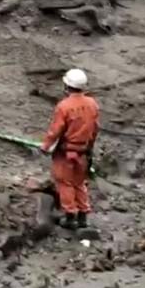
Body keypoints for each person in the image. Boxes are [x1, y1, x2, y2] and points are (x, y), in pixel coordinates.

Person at [40, 68, 99, 230]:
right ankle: (83, 215)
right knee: (79, 183)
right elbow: (95, 128)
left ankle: (70, 216)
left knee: (65, 182)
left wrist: (45, 146)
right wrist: (90, 147)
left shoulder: (64, 106)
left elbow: (56, 130)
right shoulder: (92, 104)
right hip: (83, 152)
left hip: (66, 152)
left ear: (66, 85)